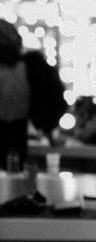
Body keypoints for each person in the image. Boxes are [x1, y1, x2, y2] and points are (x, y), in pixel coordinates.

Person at [0, 19, 66, 169]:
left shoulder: (29, 68)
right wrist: (50, 137)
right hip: (16, 142)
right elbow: (49, 104)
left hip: (16, 142)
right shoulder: (30, 68)